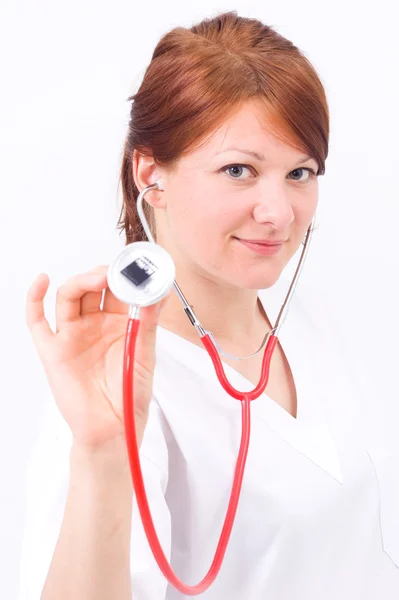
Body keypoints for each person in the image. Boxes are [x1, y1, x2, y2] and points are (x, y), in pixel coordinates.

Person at [20, 10, 399, 600]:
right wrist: (102, 453)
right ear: (152, 174)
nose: (279, 213)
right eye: (239, 170)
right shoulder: (118, 389)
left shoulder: (318, 320)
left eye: (300, 172)